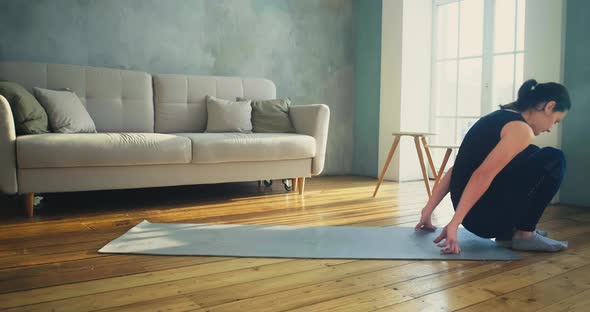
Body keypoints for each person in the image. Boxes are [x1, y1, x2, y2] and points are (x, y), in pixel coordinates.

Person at [415, 79, 571, 254]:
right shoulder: (520, 130)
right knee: (554, 158)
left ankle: (509, 234)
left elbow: (458, 169)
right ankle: (525, 234)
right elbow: (482, 175)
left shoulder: (496, 118)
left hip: (475, 217)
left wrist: (428, 210)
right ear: (549, 107)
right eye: (556, 121)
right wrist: (454, 223)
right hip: (485, 220)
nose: (551, 128)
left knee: (532, 152)